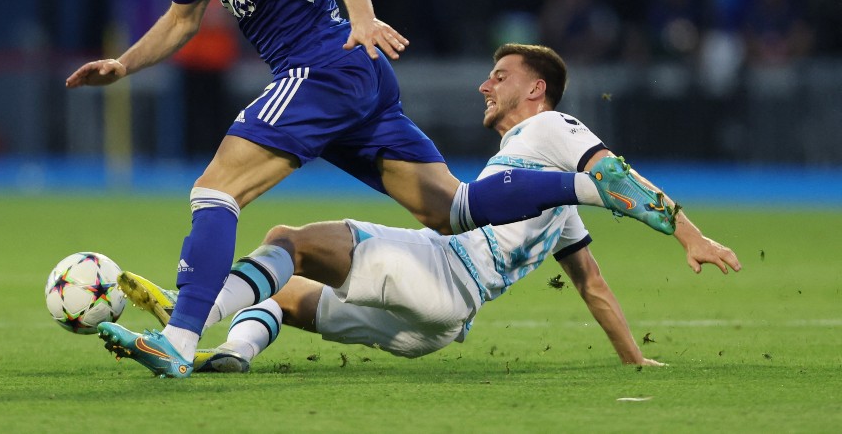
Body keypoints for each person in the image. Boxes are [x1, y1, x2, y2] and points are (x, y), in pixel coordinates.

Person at [65, 0, 674, 379]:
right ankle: (593, 187)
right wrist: (123, 64)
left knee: (215, 191)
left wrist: (361, 19)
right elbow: (181, 21)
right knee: (452, 210)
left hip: (327, 69)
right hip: (353, 84)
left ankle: (179, 338)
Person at [109, 44, 739, 374]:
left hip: (441, 273)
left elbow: (611, 173)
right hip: (436, 330)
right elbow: (593, 284)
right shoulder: (547, 195)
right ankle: (233, 352)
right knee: (286, 292)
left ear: (535, 88)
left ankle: (185, 319)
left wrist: (690, 234)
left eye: (500, 75)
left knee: (286, 237)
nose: (485, 85)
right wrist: (633, 359)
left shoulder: (549, 130)